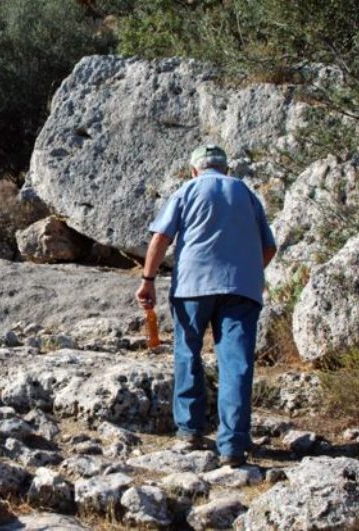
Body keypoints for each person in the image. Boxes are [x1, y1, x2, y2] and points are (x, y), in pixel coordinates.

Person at [135, 144, 277, 467]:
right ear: (225, 169)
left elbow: (160, 238)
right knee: (236, 364)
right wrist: (247, 272)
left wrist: (147, 279)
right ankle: (233, 447)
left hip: (192, 287)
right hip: (241, 291)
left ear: (194, 170)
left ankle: (190, 431)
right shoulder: (246, 193)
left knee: (188, 352)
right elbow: (269, 247)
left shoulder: (187, 190)